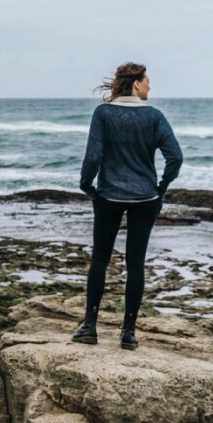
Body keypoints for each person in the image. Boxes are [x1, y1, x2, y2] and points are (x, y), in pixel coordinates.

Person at [73, 62, 183, 350]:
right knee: (136, 264)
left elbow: (93, 156)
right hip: (145, 199)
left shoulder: (104, 114)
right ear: (136, 83)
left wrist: (87, 186)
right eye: (147, 81)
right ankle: (129, 333)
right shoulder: (155, 117)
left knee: (100, 259)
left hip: (108, 197)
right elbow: (176, 157)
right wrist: (160, 189)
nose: (149, 86)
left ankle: (89, 327)